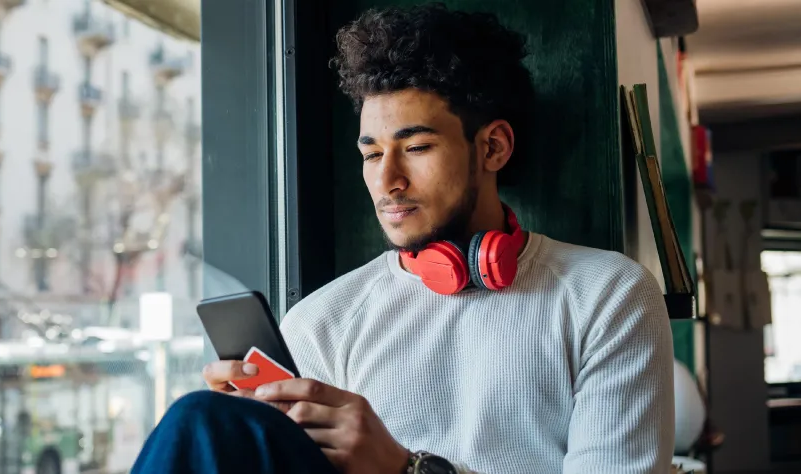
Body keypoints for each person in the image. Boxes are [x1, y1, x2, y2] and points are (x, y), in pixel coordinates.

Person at [132, 3, 674, 473]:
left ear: (493, 148)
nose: (387, 180)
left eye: (415, 148)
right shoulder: (321, 322)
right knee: (204, 421)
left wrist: (406, 469)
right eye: (371, 154)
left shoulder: (607, 295)